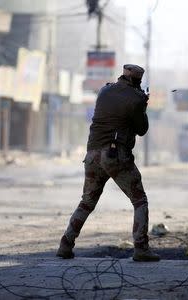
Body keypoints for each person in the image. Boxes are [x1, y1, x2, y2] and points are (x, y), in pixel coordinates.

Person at [57, 64, 160, 262]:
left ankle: (65, 244)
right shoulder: (136, 99)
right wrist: (143, 105)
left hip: (92, 154)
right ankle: (141, 248)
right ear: (138, 81)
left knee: (87, 202)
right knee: (140, 200)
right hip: (114, 155)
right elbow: (142, 129)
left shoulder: (105, 90)